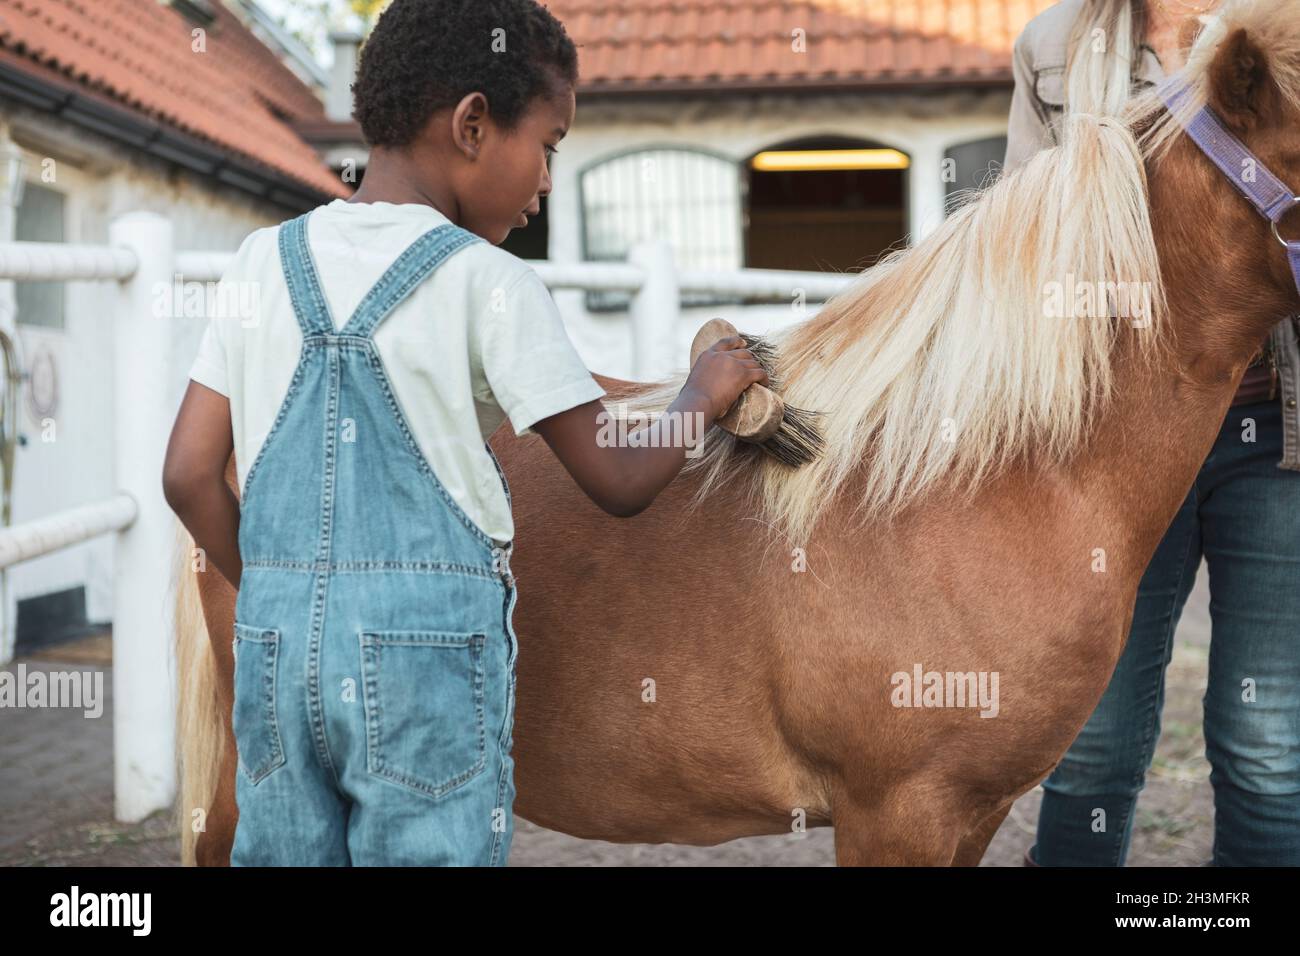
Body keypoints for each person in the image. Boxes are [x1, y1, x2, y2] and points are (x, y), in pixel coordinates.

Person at [161, 0, 768, 866]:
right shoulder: (490, 283)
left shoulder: (263, 261)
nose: (549, 181)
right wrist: (701, 397)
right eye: (549, 146)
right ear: (474, 125)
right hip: (423, 668)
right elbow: (618, 478)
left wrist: (277, 594)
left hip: (275, 648)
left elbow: (187, 474)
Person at [1006, 0, 1300, 866]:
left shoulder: (1288, 34)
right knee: (1091, 744)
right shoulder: (1051, 45)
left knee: (1269, 747)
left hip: (1277, 433)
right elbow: (1028, 233)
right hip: (1122, 441)